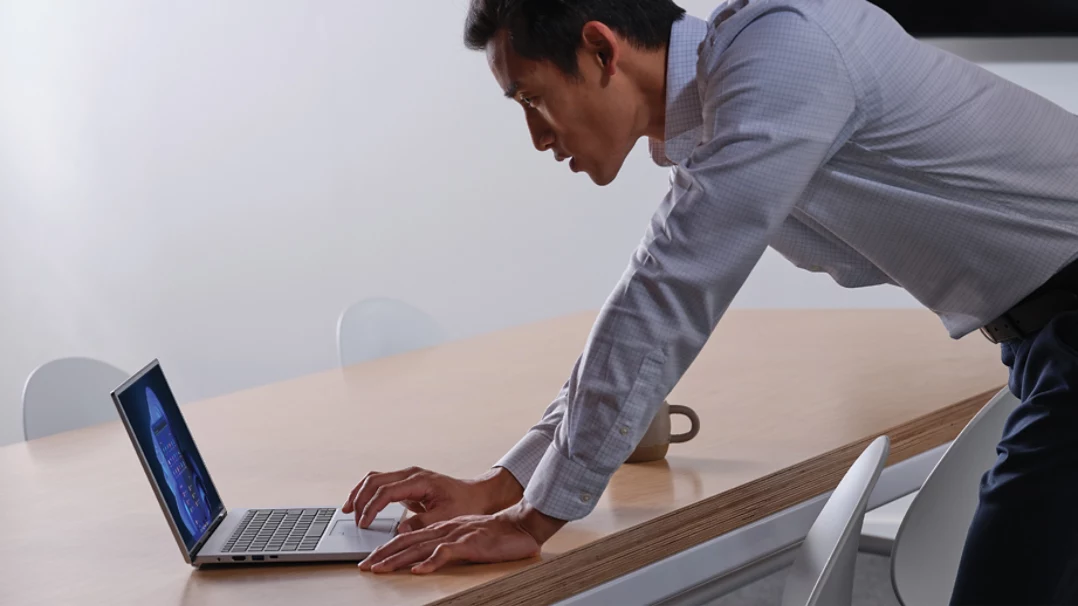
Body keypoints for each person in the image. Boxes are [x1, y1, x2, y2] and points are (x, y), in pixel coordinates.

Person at [342, 0, 1078, 601]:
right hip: (1044, 340)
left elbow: (665, 295)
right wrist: (504, 484)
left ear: (601, 50)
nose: (536, 136)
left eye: (534, 98)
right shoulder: (735, 105)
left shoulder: (784, 57)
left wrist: (535, 518)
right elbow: (651, 294)